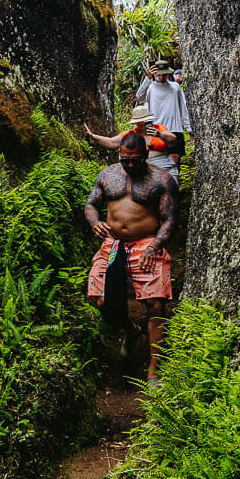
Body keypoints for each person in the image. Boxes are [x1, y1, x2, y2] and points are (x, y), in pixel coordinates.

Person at [84, 133, 176, 380]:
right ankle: (131, 330)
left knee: (155, 304)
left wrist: (153, 247)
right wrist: (95, 222)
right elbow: (91, 205)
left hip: (146, 244)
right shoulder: (107, 175)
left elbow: (168, 220)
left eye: (136, 160)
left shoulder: (162, 180)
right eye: (126, 160)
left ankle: (153, 371)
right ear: (120, 156)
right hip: (112, 244)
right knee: (101, 300)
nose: (131, 165)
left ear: (145, 154)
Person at [83, 104, 182, 185]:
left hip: (163, 164)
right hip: (141, 166)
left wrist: (158, 134)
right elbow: (112, 142)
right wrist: (94, 136)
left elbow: (173, 139)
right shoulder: (131, 134)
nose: (141, 124)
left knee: (171, 185)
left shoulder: (159, 128)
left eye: (143, 121)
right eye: (138, 122)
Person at [135, 58, 191, 138]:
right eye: (158, 74)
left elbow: (183, 108)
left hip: (175, 130)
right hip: (157, 131)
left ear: (168, 74)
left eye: (164, 74)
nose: (161, 77)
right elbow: (139, 97)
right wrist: (147, 79)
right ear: (154, 74)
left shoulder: (175, 87)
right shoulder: (151, 87)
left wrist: (188, 128)